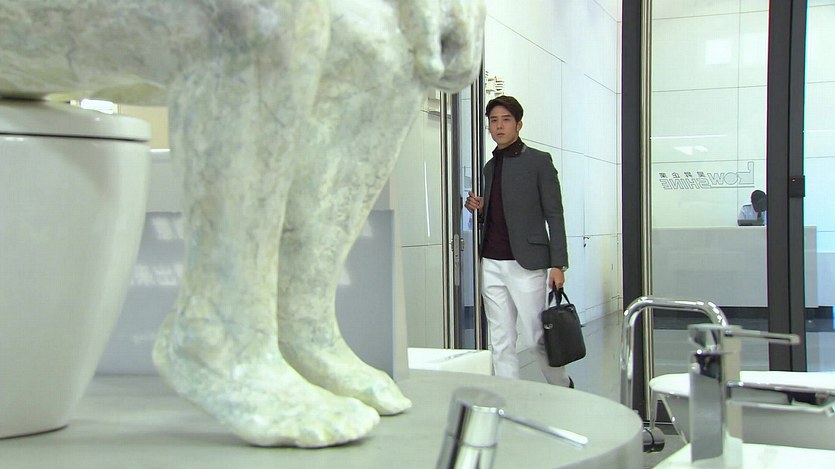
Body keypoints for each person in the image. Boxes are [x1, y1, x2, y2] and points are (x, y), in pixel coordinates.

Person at [465, 95, 572, 388]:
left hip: (526, 263)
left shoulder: (539, 161)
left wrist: (558, 264)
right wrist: (482, 208)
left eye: (506, 120)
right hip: (491, 261)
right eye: (493, 121)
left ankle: (562, 387)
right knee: (500, 340)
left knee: (539, 337)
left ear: (519, 125)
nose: (499, 126)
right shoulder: (490, 166)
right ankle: (509, 397)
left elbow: (554, 214)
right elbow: (502, 210)